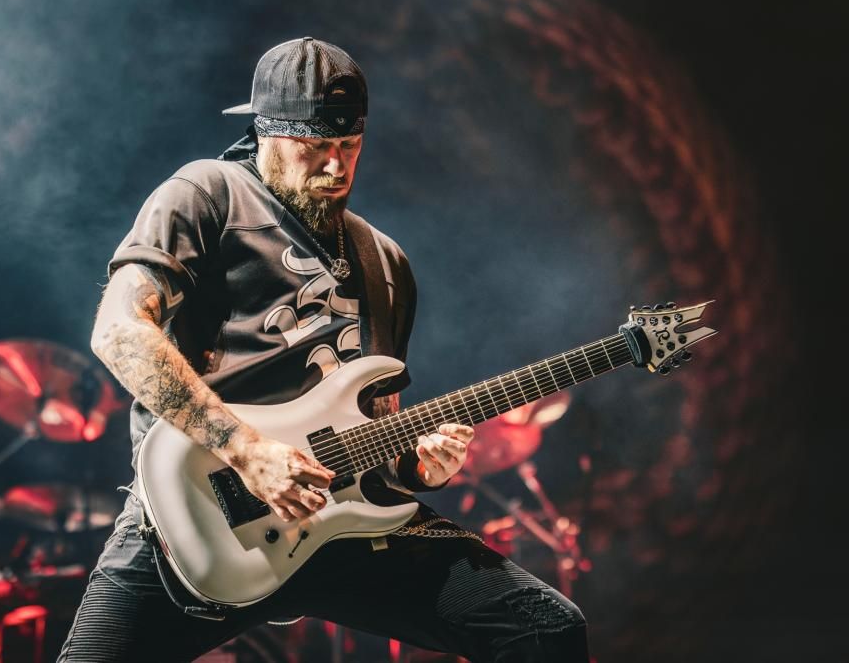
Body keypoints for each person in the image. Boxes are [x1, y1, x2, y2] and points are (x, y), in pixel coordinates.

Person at [58, 37, 589, 662]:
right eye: (315, 146)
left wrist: (416, 468)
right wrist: (246, 450)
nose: (337, 167)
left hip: (340, 528)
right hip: (198, 517)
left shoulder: (385, 262)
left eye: (351, 145)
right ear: (266, 131)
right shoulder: (207, 194)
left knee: (545, 628)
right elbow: (119, 331)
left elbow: (376, 426)